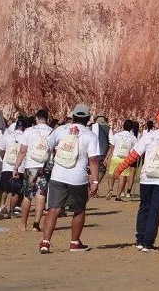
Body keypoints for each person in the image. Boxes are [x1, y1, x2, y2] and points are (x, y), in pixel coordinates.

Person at [114, 109, 159, 252]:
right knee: (155, 211)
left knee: (144, 208)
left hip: (146, 178)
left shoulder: (150, 136)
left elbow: (134, 155)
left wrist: (120, 168)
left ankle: (140, 240)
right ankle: (148, 243)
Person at [39, 103, 100, 254]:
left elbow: (47, 143)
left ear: (73, 116)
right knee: (79, 209)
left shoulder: (61, 130)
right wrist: (95, 181)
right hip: (78, 178)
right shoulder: (90, 135)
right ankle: (74, 243)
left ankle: (46, 242)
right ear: (87, 119)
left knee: (53, 209)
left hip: (58, 175)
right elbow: (93, 160)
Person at [13, 108, 54, 232]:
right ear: (47, 119)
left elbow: (22, 151)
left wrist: (16, 167)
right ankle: (36, 224)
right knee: (41, 195)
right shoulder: (52, 131)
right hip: (45, 166)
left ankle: (23, 224)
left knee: (27, 196)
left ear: (36, 119)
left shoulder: (29, 131)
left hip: (30, 166)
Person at [104, 119, 137, 201]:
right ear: (131, 128)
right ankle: (118, 196)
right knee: (122, 177)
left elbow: (112, 146)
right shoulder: (133, 137)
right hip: (125, 159)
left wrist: (107, 157)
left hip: (115, 157)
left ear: (123, 126)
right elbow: (134, 150)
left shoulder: (117, 135)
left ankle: (111, 189)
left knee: (111, 175)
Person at [92, 115, 112, 187]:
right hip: (102, 153)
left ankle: (92, 186)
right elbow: (112, 144)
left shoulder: (90, 127)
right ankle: (94, 185)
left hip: (91, 152)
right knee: (101, 170)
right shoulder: (108, 129)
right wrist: (107, 157)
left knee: (90, 171)